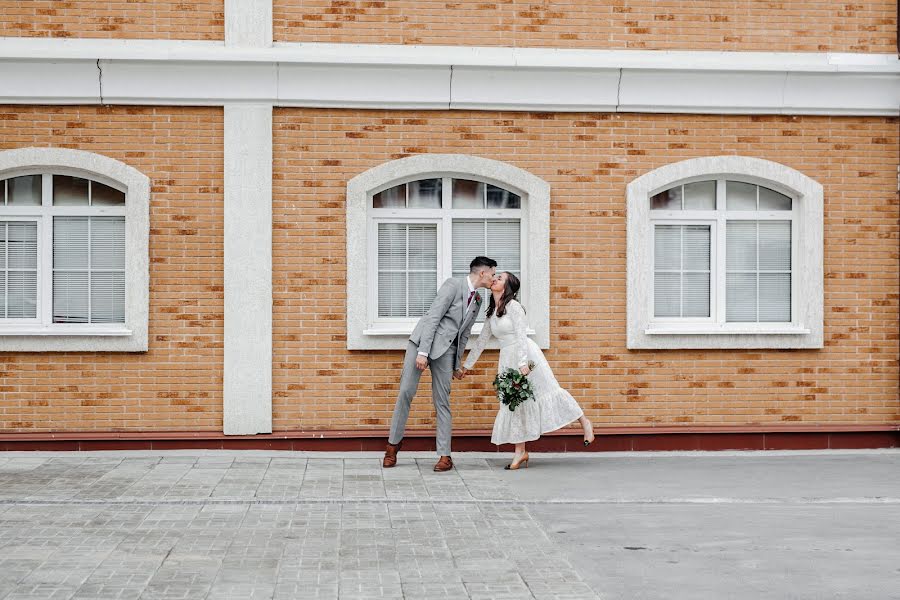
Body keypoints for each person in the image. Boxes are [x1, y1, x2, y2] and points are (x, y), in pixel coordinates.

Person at [460, 271, 594, 470]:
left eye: (500, 278)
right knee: (515, 403)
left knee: (549, 391)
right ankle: (520, 451)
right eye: (495, 276)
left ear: (507, 287)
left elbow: (522, 337)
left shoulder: (514, 308)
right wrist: (466, 366)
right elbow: (481, 341)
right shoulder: (491, 312)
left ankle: (585, 422)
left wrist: (523, 363)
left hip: (527, 357)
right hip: (507, 358)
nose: (494, 279)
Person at [383, 256, 498, 472]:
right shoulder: (453, 285)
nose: (493, 278)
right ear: (482, 273)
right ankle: (392, 445)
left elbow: (463, 335)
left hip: (447, 352)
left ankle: (445, 455)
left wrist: (457, 365)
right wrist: (423, 352)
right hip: (421, 344)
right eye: (492, 273)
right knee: (406, 392)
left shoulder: (478, 302)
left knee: (442, 401)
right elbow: (434, 317)